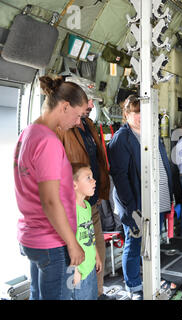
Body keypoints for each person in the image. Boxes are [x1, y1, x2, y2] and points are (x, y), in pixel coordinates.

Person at [13, 76, 88, 300]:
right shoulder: (48, 142)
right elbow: (50, 200)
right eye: (78, 115)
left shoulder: (28, 133)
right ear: (65, 106)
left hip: (32, 236)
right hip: (52, 242)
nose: (78, 123)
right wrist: (73, 244)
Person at [107, 95, 174, 299]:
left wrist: (169, 194)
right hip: (136, 202)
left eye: (143, 112)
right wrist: (131, 208)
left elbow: (163, 163)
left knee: (153, 243)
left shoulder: (152, 134)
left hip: (157, 198)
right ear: (126, 115)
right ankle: (134, 284)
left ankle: (152, 276)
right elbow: (120, 177)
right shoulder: (122, 138)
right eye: (135, 113)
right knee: (135, 242)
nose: (139, 117)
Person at [56, 77, 111, 300]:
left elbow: (96, 158)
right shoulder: (60, 128)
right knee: (75, 257)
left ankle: (96, 293)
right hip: (72, 205)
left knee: (96, 251)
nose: (90, 106)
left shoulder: (88, 125)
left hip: (90, 202)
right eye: (87, 102)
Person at [71, 163, 103, 300]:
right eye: (88, 177)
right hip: (78, 272)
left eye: (93, 177)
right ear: (74, 185)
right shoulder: (70, 210)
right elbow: (66, 243)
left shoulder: (87, 206)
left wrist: (97, 255)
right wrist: (73, 271)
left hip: (90, 268)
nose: (94, 181)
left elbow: (90, 234)